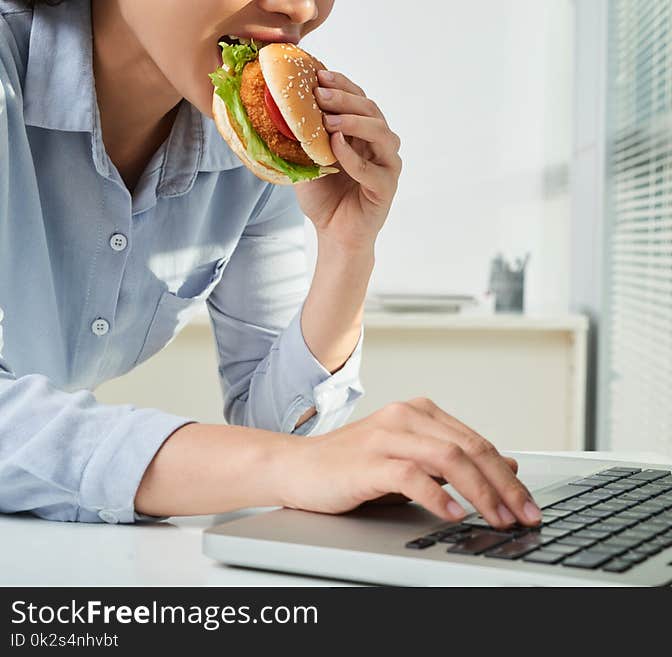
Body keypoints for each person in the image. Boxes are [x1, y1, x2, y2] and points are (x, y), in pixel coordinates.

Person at [0, 0, 542, 530]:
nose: (303, 8)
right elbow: (285, 464)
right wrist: (287, 466)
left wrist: (346, 247)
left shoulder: (251, 140)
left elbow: (277, 434)